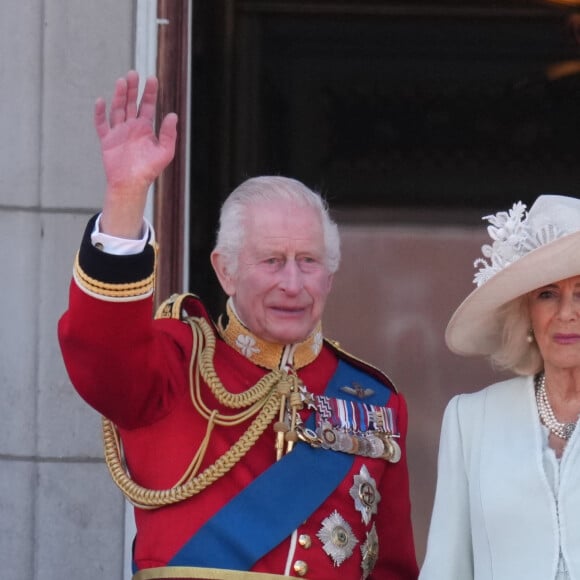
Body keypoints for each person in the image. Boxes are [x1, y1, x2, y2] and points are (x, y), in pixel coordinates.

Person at [58, 70, 418, 580]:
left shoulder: (376, 404)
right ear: (225, 270)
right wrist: (125, 197)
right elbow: (100, 349)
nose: (293, 283)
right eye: (272, 261)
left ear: (331, 275)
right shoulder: (173, 365)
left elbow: (393, 569)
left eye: (309, 261)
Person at [419, 194, 580, 580]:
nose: (566, 312)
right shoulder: (471, 419)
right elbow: (446, 568)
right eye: (547, 294)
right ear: (525, 313)